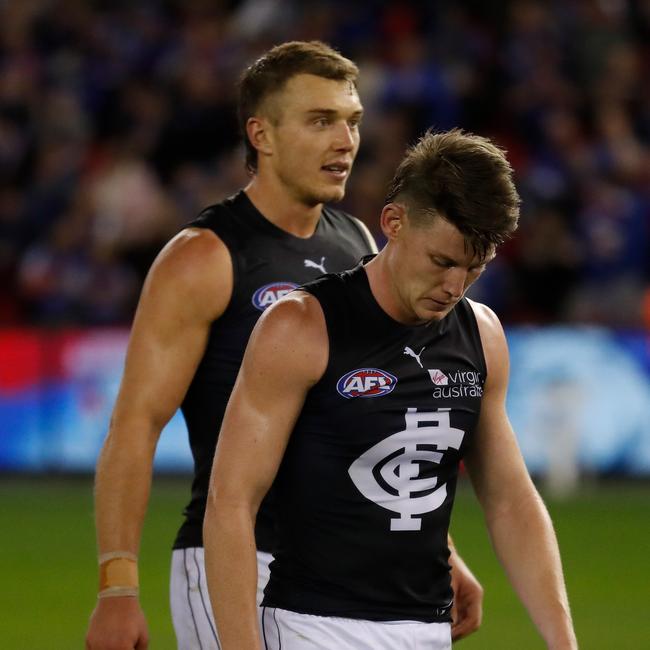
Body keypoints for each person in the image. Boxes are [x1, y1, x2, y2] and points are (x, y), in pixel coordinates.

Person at [85, 41, 483, 650]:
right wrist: (117, 586)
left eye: (351, 120)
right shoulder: (204, 257)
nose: (345, 140)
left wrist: (440, 548)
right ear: (261, 134)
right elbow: (136, 424)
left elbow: (385, 416)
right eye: (320, 121)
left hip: (341, 572)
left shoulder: (359, 244)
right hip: (233, 556)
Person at [203, 129, 578, 650]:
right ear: (394, 222)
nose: (455, 286)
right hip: (314, 627)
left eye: (474, 268)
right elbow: (230, 501)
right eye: (443, 262)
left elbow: (510, 500)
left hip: (429, 630)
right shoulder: (301, 327)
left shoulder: (481, 335)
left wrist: (564, 641)